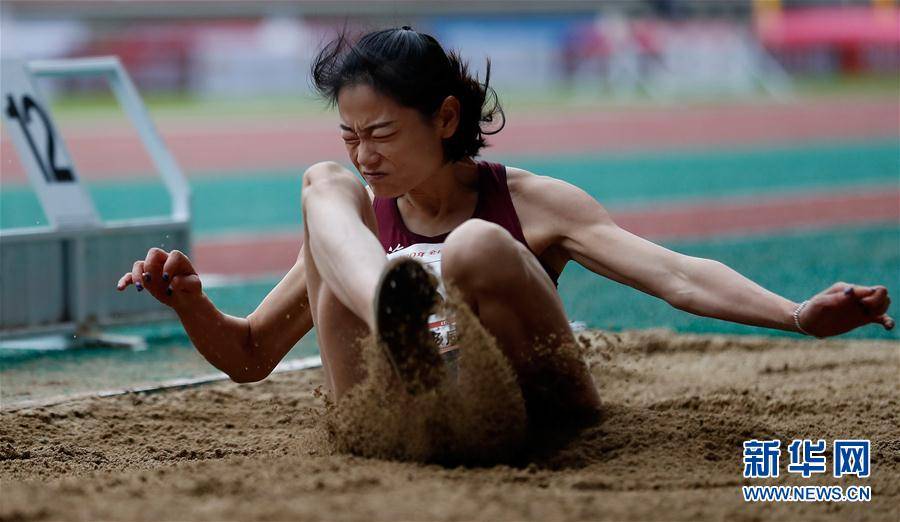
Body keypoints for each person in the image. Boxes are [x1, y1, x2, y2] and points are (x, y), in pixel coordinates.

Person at [116, 27, 893, 424]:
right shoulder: (351, 215)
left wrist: (795, 316)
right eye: (351, 135)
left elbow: (675, 274)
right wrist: (190, 305)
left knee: (478, 245)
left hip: (527, 418)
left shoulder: (533, 201)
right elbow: (251, 356)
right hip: (396, 424)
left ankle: (410, 293)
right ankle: (399, 302)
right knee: (320, 189)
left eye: (381, 133)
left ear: (446, 117)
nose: (363, 154)